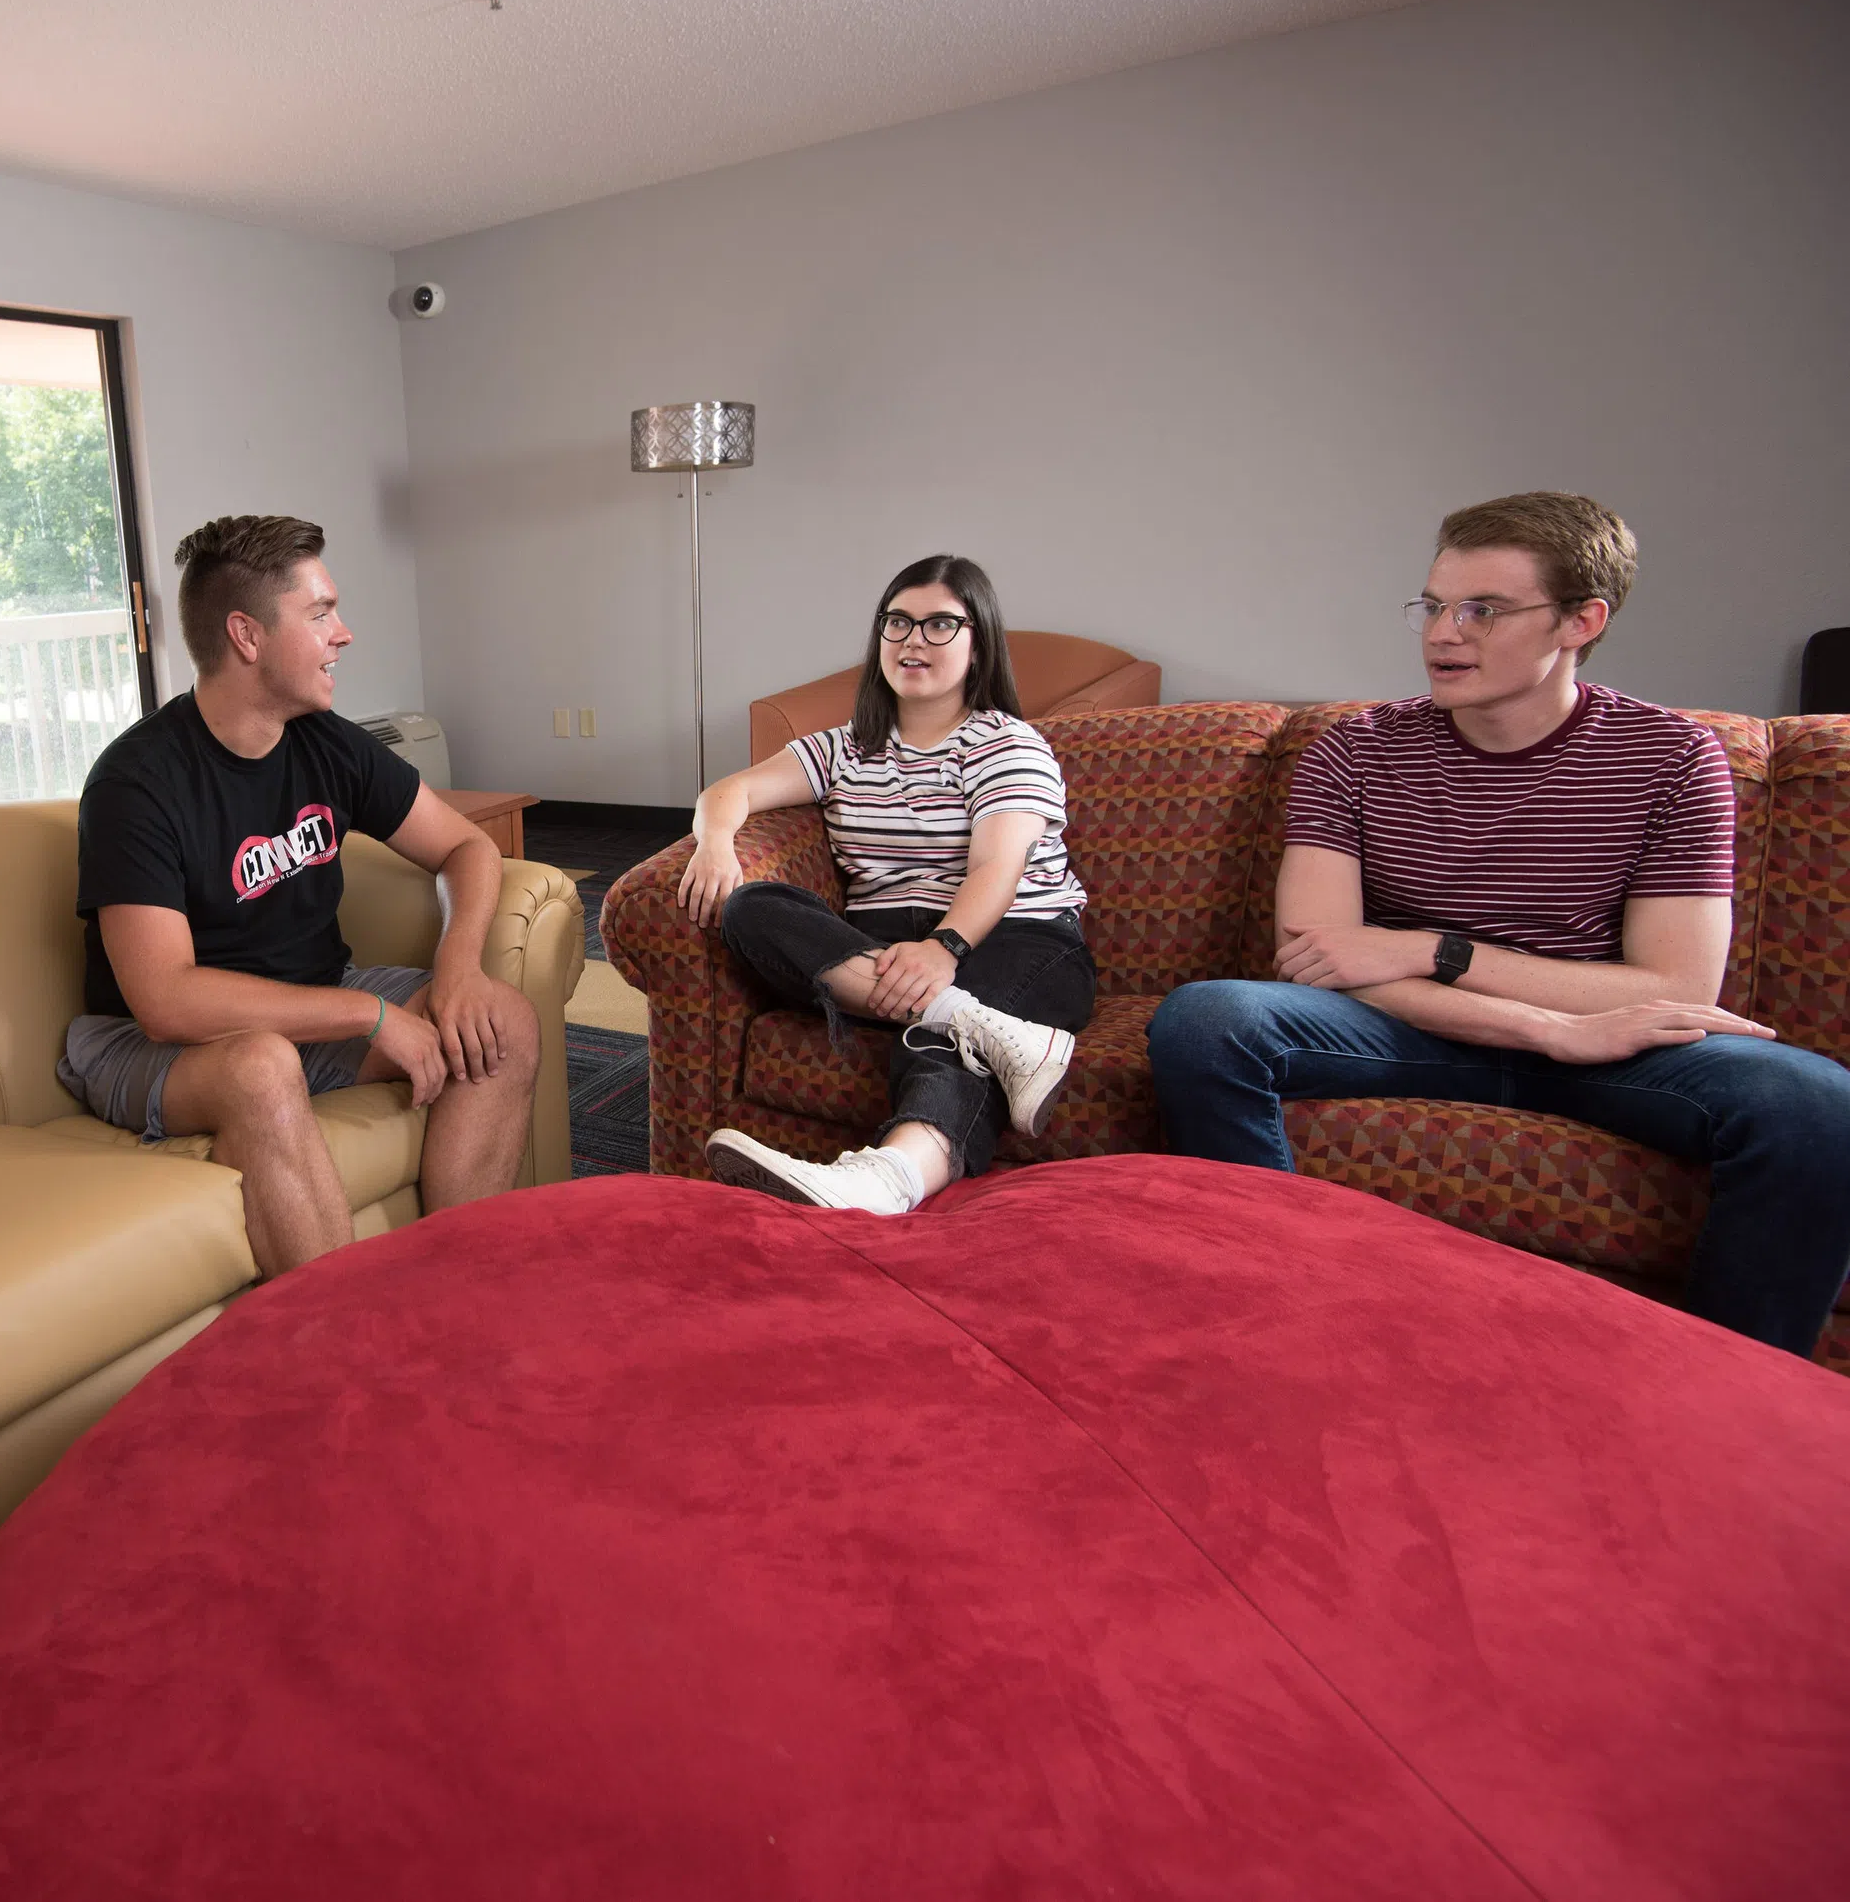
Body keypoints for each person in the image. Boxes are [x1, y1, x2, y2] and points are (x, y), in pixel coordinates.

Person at [1148, 492, 1850, 1356]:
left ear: (1578, 621)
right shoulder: (1354, 751)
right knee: (1207, 1019)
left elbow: (1675, 988)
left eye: (1483, 610)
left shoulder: (1673, 758)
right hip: (1415, 1030)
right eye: (1434, 605)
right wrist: (1544, 1025)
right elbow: (1316, 957)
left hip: (1615, 1052)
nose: (1444, 633)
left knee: (1816, 1102)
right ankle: (1284, 1312)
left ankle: (1728, 1386)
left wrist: (1428, 949)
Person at [64, 515, 540, 1276]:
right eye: (320, 614)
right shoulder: (136, 783)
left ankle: (461, 1289)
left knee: (500, 1021)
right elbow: (165, 1000)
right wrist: (369, 1013)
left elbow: (466, 846)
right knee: (260, 1067)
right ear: (248, 636)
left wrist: (457, 969)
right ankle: (341, 1353)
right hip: (151, 1045)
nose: (343, 634)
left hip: (307, 1003)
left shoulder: (326, 740)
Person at [687, 555, 1094, 1214]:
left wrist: (945, 949)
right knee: (753, 906)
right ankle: (985, 1026)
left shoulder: (1007, 744)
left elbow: (998, 867)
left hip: (1020, 936)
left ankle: (881, 1180)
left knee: (942, 1047)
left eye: (940, 625)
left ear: (979, 642)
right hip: (883, 939)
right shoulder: (845, 748)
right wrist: (714, 842)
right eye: (897, 621)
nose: (912, 639)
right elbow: (729, 791)